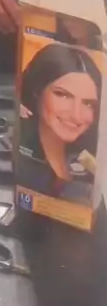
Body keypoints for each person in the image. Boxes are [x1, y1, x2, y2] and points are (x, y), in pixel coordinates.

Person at [18, 43, 101, 203]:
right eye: (63, 95)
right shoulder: (20, 159)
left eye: (88, 103)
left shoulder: (90, 162)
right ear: (37, 91)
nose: (76, 115)